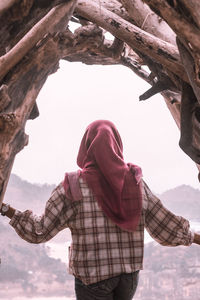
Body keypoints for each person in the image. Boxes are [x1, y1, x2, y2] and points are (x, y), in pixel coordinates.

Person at [1, 119, 200, 300]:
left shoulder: (73, 186)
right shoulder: (136, 183)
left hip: (93, 279)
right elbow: (164, 225)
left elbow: (39, 230)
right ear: (117, 145)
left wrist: (6, 209)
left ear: (86, 147)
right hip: (128, 279)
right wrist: (196, 237)